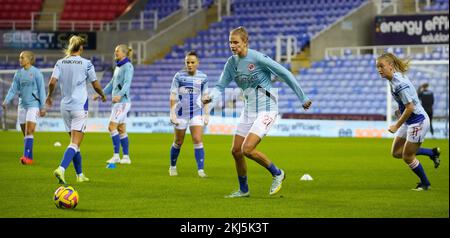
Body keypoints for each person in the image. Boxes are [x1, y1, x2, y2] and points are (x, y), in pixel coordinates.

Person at [202, 26, 312, 197]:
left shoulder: (258, 58)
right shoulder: (231, 63)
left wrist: (302, 98)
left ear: (245, 42)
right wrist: (211, 96)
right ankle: (244, 190)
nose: (232, 45)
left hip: (267, 109)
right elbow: (220, 86)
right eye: (230, 42)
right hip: (249, 110)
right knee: (236, 151)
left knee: (247, 149)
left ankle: (277, 173)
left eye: (236, 42)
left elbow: (285, 74)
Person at [46, 35, 107, 184]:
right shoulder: (86, 63)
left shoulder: (60, 63)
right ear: (81, 48)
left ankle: (80, 175)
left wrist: (49, 96)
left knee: (74, 144)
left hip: (65, 107)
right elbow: (96, 84)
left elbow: (52, 82)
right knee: (75, 143)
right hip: (79, 106)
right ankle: (61, 169)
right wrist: (103, 95)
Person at [376, 53, 440, 191]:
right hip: (409, 120)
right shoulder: (393, 79)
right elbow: (409, 102)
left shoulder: (399, 84)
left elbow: (410, 107)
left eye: (381, 66)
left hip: (418, 121)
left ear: (391, 66)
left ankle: (425, 183)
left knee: (407, 156)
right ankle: (432, 153)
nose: (379, 69)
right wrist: (400, 110)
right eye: (377, 67)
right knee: (396, 153)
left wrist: (396, 125)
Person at [169, 51, 209, 178]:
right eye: (187, 62)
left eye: (192, 62)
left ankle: (201, 170)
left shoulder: (203, 77)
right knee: (178, 141)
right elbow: (173, 96)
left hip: (196, 113)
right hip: (181, 114)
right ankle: (172, 166)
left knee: (197, 139)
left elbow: (206, 96)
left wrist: (206, 113)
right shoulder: (179, 76)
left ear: (198, 63)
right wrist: (172, 114)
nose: (190, 65)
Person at [1, 51, 46, 165]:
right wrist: (6, 101)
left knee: (29, 130)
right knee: (25, 133)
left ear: (29, 59)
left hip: (33, 105)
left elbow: (42, 90)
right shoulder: (18, 73)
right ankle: (29, 158)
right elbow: (13, 90)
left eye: (22, 58)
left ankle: (25, 157)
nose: (20, 60)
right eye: (19, 58)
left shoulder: (36, 73)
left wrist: (42, 106)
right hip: (22, 106)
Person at [100, 44, 134, 165]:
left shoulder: (128, 66)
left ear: (124, 53)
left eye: (117, 51)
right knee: (121, 129)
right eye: (115, 51)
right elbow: (112, 83)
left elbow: (127, 83)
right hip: (118, 103)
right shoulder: (118, 67)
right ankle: (126, 157)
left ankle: (116, 156)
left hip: (122, 102)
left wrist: (119, 95)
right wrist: (102, 94)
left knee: (111, 127)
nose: (115, 53)